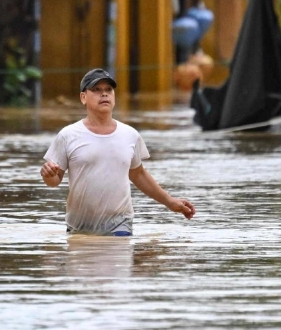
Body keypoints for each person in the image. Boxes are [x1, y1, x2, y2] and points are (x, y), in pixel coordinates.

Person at [41, 68, 195, 236]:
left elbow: (138, 174)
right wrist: (48, 175)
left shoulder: (130, 135)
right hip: (79, 226)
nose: (104, 94)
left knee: (119, 258)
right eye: (96, 90)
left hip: (120, 223)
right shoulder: (68, 135)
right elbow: (55, 180)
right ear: (83, 97)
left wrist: (170, 202)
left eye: (108, 90)